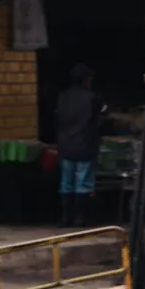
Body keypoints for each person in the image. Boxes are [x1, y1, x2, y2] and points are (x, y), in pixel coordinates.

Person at [55, 63, 106, 226]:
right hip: (85, 144)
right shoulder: (93, 98)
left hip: (65, 145)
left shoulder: (62, 97)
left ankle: (66, 218)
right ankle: (80, 218)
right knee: (84, 182)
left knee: (66, 182)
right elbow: (102, 115)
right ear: (86, 80)